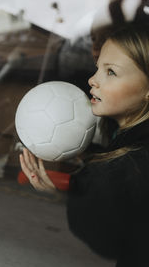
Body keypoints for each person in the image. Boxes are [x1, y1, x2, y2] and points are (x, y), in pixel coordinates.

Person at [19, 22, 149, 266]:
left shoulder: (135, 163)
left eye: (111, 72)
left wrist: (60, 197)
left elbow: (105, 238)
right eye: (97, 68)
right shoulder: (126, 144)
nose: (92, 79)